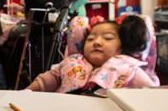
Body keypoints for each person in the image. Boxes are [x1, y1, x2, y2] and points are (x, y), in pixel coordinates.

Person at [27, 16, 158, 92]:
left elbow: (152, 94)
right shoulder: (73, 61)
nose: (97, 42)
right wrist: (28, 91)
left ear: (123, 46)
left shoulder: (128, 70)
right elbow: (49, 79)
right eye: (90, 39)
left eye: (107, 38)